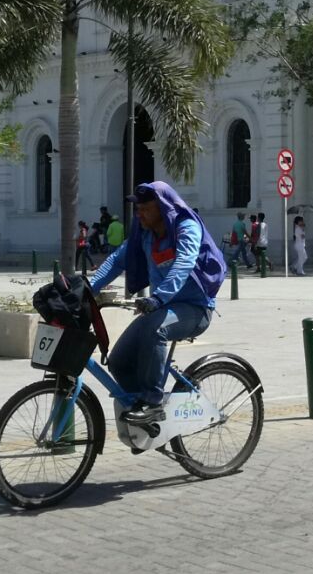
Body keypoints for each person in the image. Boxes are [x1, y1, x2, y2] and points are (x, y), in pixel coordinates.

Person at [87, 181, 225, 427]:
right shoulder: (146, 234)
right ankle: (146, 418)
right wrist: (87, 290)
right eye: (138, 209)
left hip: (195, 308)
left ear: (163, 209)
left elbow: (184, 263)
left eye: (146, 209)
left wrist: (159, 297)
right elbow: (117, 261)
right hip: (159, 308)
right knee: (118, 360)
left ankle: (152, 403)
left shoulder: (186, 227)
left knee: (155, 330)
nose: (139, 214)